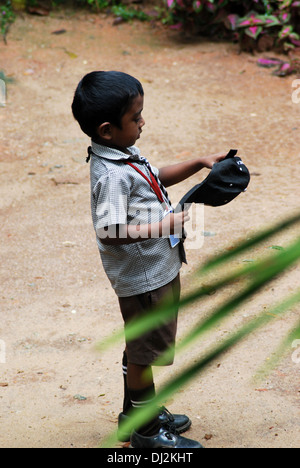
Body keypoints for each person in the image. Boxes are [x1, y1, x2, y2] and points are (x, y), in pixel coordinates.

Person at [72, 71, 226, 448]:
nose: (143, 122)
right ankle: (145, 432)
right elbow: (108, 230)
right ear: (107, 130)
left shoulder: (124, 155)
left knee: (140, 345)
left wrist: (198, 162)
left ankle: (136, 414)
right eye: (136, 117)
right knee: (145, 353)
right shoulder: (111, 175)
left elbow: (155, 176)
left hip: (156, 271)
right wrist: (163, 225)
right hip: (143, 280)